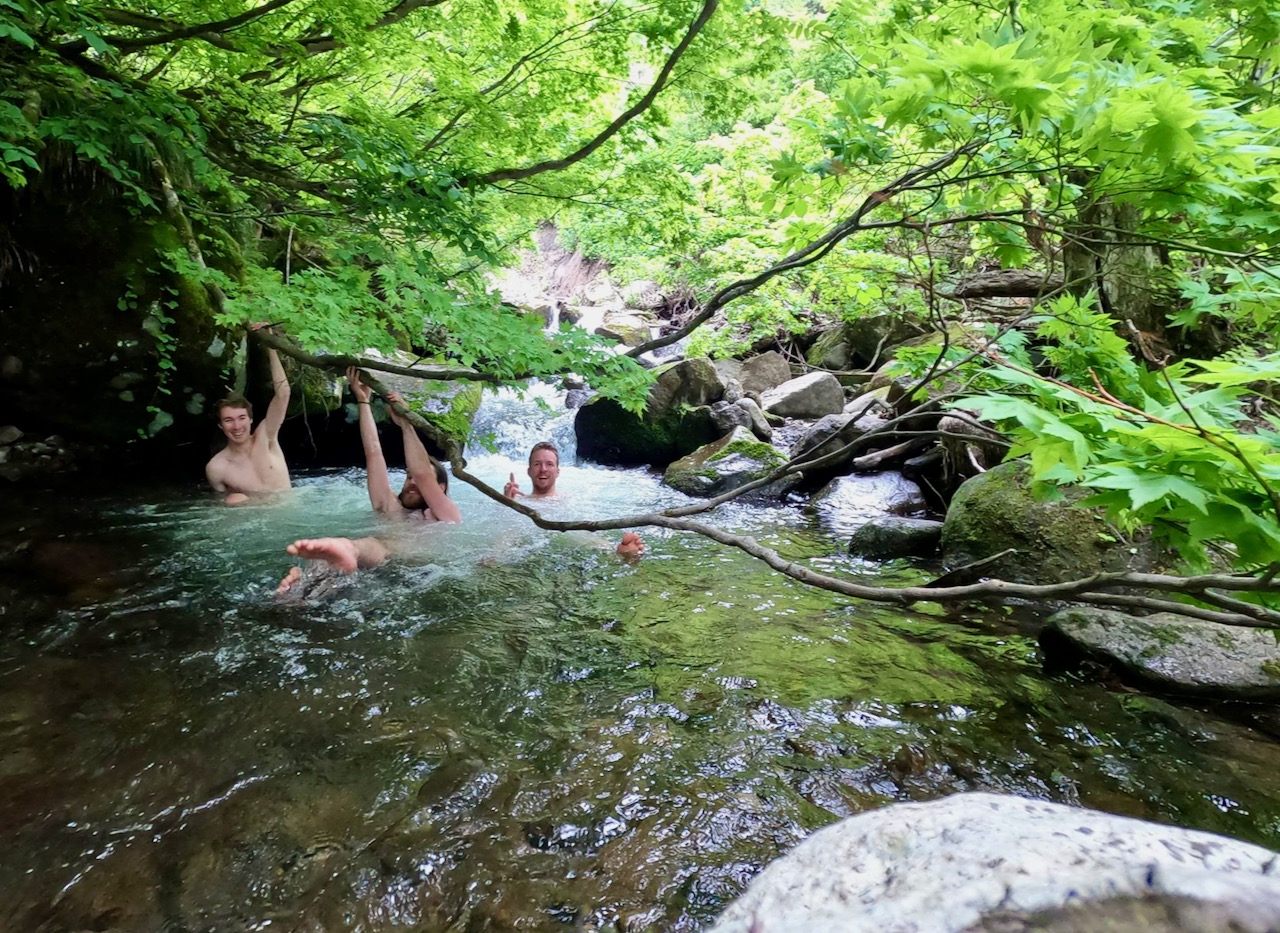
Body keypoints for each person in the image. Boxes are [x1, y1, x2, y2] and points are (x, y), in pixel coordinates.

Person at [276, 368, 460, 594]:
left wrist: (406, 424)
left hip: (401, 570)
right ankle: (292, 591)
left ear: (440, 488)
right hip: (365, 569)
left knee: (367, 546)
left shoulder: (445, 516)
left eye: (420, 480)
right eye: (408, 477)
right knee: (323, 566)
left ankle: (343, 552)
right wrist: (363, 401)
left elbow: (421, 472)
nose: (413, 482)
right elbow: (373, 452)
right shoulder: (389, 506)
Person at [503, 441, 645, 560]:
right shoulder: (518, 502)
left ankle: (616, 552)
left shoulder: (569, 501)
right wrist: (506, 503)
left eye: (549, 464)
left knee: (580, 531)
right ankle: (496, 556)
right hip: (531, 548)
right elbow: (506, 530)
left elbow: (588, 528)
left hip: (565, 547)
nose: (543, 469)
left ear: (558, 471)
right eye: (537, 464)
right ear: (529, 471)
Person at [206, 323, 292, 505]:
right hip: (255, 520)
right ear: (220, 425)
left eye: (242, 418)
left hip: (292, 514)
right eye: (229, 420)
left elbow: (283, 393)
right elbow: (217, 510)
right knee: (234, 499)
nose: (237, 426)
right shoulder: (217, 467)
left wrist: (270, 345)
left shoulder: (266, 437)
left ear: (251, 419)